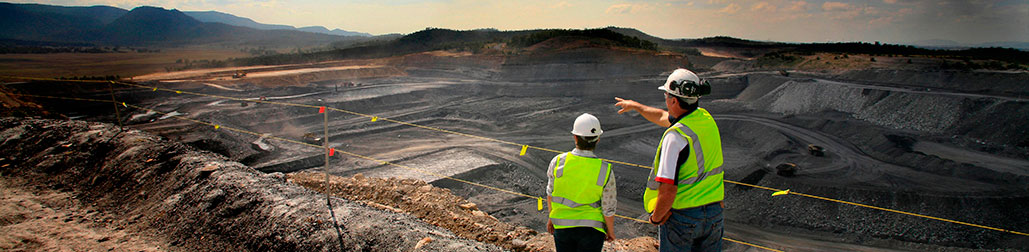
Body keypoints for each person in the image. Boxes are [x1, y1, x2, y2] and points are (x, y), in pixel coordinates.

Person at [614, 68, 725, 251]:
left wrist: (656, 218)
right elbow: (662, 116)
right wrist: (636, 106)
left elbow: (668, 190)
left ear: (673, 100)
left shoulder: (675, 137)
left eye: (666, 95)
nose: (665, 99)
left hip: (683, 218)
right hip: (714, 215)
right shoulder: (705, 119)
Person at [546, 113, 617, 252]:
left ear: (575, 137)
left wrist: (551, 218)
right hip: (592, 230)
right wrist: (610, 231)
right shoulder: (605, 169)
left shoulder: (558, 161)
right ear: (598, 140)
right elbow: (608, 207)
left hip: (562, 226)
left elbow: (550, 193)